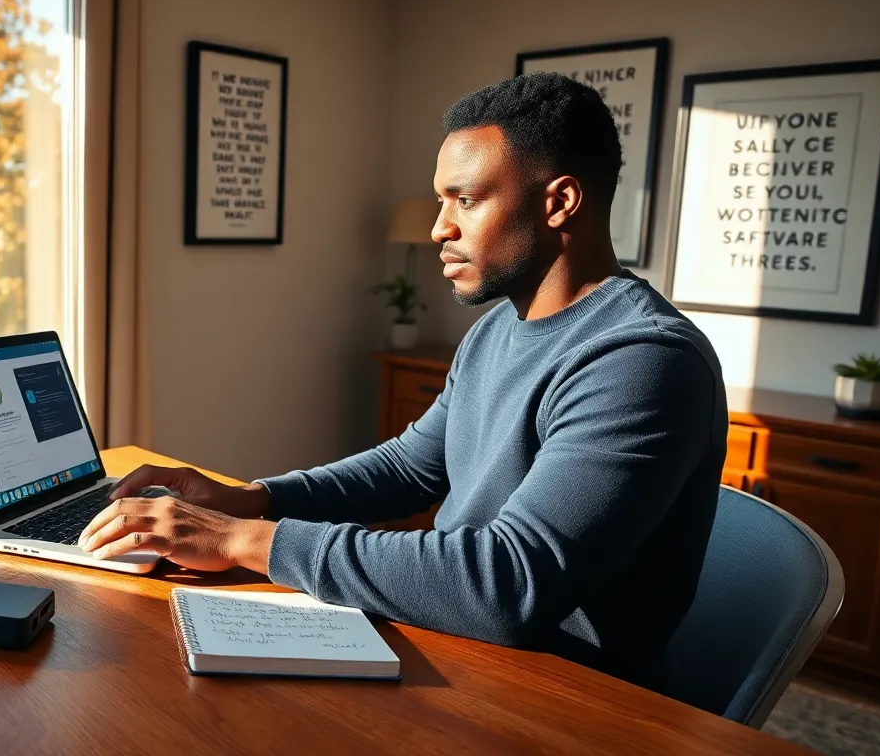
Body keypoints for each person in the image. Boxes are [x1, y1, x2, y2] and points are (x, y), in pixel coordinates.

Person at [78, 72, 728, 690]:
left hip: (564, 700)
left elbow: (508, 583)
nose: (438, 227)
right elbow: (410, 467)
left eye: (465, 200)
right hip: (459, 648)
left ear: (559, 202)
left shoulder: (642, 360)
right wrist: (248, 501)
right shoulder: (498, 330)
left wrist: (241, 540)